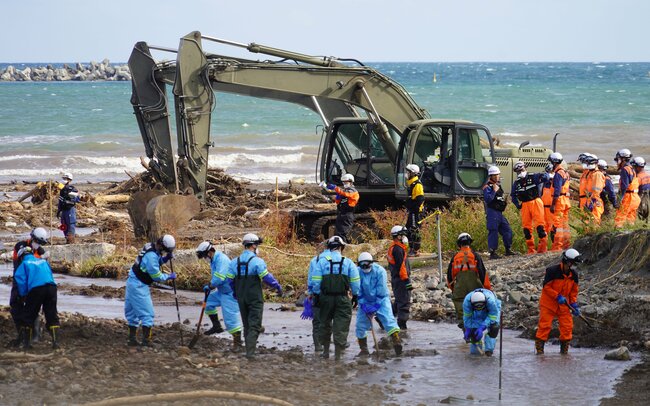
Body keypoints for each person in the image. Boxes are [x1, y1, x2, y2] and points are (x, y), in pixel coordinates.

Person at [227, 233, 282, 359]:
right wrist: (277, 286)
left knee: (247, 324)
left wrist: (235, 293)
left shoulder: (234, 262)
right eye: (257, 245)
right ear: (253, 246)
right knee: (255, 325)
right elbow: (266, 277)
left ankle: (248, 350)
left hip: (241, 297)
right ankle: (250, 353)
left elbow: (229, 281)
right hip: (254, 297)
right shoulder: (257, 261)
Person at [311, 235, 360, 360]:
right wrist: (355, 296)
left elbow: (315, 281)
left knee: (324, 324)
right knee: (341, 326)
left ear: (329, 247)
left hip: (325, 298)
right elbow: (355, 282)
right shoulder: (348, 262)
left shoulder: (321, 261)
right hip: (343, 299)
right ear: (341, 247)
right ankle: (338, 355)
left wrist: (316, 295)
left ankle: (325, 352)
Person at [124, 234, 176, 347]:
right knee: (148, 314)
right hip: (139, 285)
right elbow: (156, 275)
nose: (165, 253)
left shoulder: (150, 247)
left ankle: (131, 339)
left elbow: (155, 262)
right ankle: (146, 341)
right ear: (162, 246)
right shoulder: (151, 256)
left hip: (132, 281)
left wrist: (165, 259)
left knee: (132, 312)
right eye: (166, 251)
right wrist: (168, 276)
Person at [196, 241, 243, 351]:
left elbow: (219, 278)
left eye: (204, 256)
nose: (204, 259)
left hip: (230, 293)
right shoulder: (213, 260)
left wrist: (210, 286)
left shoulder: (221, 259)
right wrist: (211, 285)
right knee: (208, 303)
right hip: (222, 291)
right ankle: (216, 326)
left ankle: (238, 343)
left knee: (230, 319)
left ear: (209, 252)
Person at [535, 248, 582, 355]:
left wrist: (574, 304)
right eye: (574, 263)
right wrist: (557, 296)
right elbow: (546, 287)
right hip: (549, 303)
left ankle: (564, 353)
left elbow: (573, 292)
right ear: (568, 262)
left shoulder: (574, 275)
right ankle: (539, 352)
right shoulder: (552, 271)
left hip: (564, 305)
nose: (575, 266)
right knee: (544, 326)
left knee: (567, 327)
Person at [355, 252, 402, 357]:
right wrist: (363, 304)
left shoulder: (380, 271)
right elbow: (358, 289)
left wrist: (376, 305)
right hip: (365, 301)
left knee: (388, 320)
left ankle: (396, 342)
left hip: (381, 299)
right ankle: (364, 349)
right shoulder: (357, 272)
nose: (365, 267)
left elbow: (381, 290)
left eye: (367, 265)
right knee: (360, 325)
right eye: (362, 265)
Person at [8, 228, 49, 347]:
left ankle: (34, 335)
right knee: (15, 306)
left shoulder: (40, 250)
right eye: (37, 241)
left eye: (40, 243)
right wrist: (41, 258)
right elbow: (25, 260)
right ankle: (21, 333)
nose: (38, 244)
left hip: (32, 282)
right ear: (32, 238)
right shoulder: (21, 246)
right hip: (20, 279)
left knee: (33, 307)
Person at [13, 246, 60, 349]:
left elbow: (21, 281)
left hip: (36, 289)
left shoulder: (24, 264)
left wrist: (23, 296)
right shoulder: (43, 261)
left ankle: (27, 344)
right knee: (52, 314)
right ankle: (55, 342)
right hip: (52, 288)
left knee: (28, 316)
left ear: (21, 257)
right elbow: (50, 275)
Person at [447, 233, 492, 328]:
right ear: (469, 243)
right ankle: (477, 331)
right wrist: (488, 290)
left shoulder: (455, 257)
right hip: (475, 287)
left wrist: (453, 289)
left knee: (460, 305)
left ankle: (466, 331)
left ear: (459, 244)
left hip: (460, 288)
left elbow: (450, 277)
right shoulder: (475, 256)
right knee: (477, 305)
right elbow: (483, 274)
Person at [511, 161, 549, 254]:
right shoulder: (517, 183)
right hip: (524, 205)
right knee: (526, 229)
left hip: (535, 202)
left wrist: (544, 176)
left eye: (521, 169)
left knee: (540, 226)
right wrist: (518, 205)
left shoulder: (533, 176)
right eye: (518, 171)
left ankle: (542, 248)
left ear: (525, 168)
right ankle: (531, 249)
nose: (520, 172)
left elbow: (546, 177)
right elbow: (513, 195)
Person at [482, 165, 514, 259]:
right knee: (493, 231)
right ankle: (493, 253)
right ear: (490, 176)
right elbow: (488, 199)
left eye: (497, 175)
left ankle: (508, 249)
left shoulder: (498, 186)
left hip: (499, 213)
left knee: (507, 230)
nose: (496, 177)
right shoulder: (487, 187)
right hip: (492, 212)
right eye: (494, 175)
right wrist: (494, 191)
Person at [302, 241, 327, 353]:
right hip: (330, 294)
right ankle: (326, 344)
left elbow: (310, 279)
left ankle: (318, 345)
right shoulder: (333, 260)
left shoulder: (314, 261)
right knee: (328, 320)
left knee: (316, 321)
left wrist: (310, 293)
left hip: (317, 294)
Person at [387, 225, 413, 330]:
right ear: (398, 236)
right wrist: (407, 281)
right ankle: (402, 326)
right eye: (402, 235)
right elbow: (402, 267)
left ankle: (382, 318)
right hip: (401, 280)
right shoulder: (398, 249)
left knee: (398, 301)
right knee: (404, 302)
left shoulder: (393, 247)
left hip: (396, 279)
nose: (404, 237)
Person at [462, 289, 501, 356]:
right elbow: (467, 317)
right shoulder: (467, 302)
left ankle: (489, 351)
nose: (479, 308)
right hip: (476, 313)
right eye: (477, 306)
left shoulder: (491, 301)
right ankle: (476, 352)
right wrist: (468, 329)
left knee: (494, 328)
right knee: (473, 332)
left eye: (481, 306)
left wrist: (482, 327)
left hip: (491, 312)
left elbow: (493, 316)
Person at [323, 173, 359, 243]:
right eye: (343, 182)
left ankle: (344, 246)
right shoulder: (344, 191)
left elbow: (346, 194)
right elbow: (338, 202)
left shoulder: (353, 191)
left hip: (347, 215)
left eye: (346, 182)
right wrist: (338, 197)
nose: (344, 184)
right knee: (338, 232)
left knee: (344, 232)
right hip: (341, 213)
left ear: (351, 182)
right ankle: (338, 245)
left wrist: (336, 188)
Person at [548, 153, 571, 251]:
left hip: (559, 201)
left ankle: (557, 247)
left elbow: (557, 190)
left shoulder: (558, 174)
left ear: (554, 162)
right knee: (564, 225)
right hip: (565, 201)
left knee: (557, 225)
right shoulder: (565, 172)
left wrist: (553, 204)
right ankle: (566, 245)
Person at [614, 149, 640, 228]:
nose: (617, 161)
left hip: (628, 198)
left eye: (618, 159)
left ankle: (617, 237)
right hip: (635, 197)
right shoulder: (631, 168)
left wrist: (619, 200)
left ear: (623, 159)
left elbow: (624, 186)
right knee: (630, 219)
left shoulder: (625, 169)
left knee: (619, 219)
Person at [405, 164, 425, 256]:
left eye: (408, 172)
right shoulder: (411, 183)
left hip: (416, 212)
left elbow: (420, 198)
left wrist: (413, 207)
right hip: (412, 211)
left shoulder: (417, 184)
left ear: (412, 173)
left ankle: (415, 250)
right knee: (409, 229)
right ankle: (411, 248)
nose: (406, 173)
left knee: (414, 230)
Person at [57, 173, 80, 244]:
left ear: (69, 180)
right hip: (64, 210)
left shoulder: (72, 189)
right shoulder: (62, 190)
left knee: (70, 224)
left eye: (65, 179)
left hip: (70, 210)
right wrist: (59, 211)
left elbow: (77, 199)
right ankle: (67, 239)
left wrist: (69, 198)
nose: (63, 180)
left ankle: (71, 240)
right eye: (63, 178)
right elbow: (60, 201)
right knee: (64, 225)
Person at [582, 155, 606, 226]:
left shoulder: (597, 174)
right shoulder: (591, 173)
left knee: (594, 220)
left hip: (595, 200)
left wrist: (593, 200)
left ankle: (593, 234)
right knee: (587, 220)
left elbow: (597, 190)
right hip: (590, 199)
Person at [631, 157, 649, 222]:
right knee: (646, 217)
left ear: (638, 167)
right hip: (647, 200)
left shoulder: (637, 178)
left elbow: (634, 191)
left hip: (640, 200)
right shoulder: (648, 175)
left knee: (640, 218)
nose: (633, 168)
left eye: (634, 166)